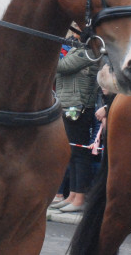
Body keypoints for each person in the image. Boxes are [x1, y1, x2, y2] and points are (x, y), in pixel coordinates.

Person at [50, 43, 103, 214]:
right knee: (72, 153)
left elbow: (62, 66)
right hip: (68, 105)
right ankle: (72, 196)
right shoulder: (77, 50)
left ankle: (79, 197)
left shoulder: (87, 52)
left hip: (79, 108)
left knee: (80, 154)